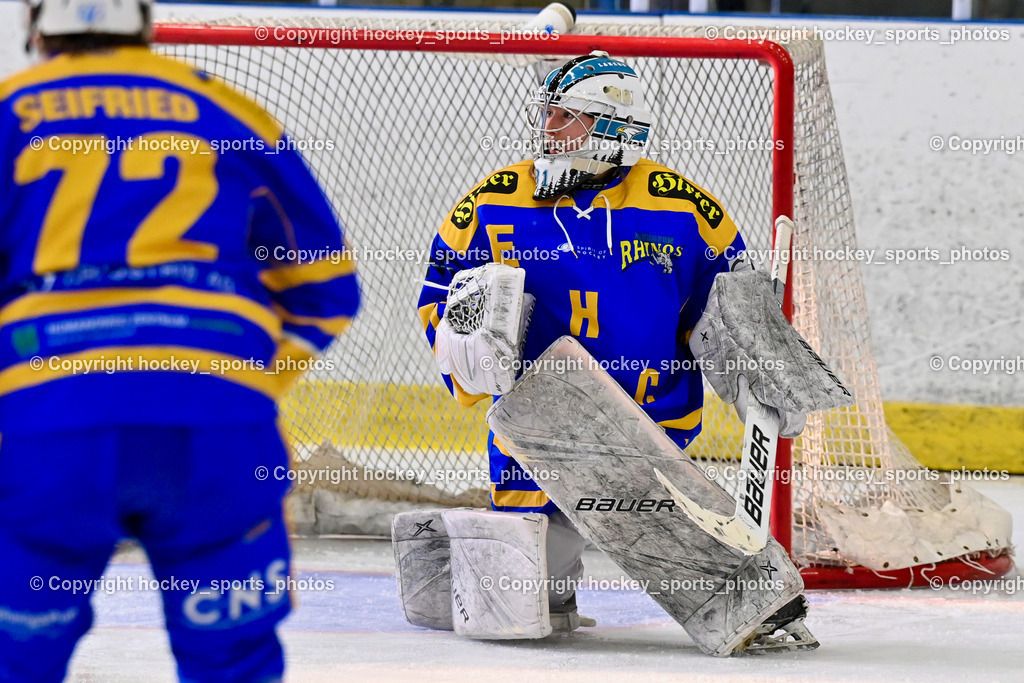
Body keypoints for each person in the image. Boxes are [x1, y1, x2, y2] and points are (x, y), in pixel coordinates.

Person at [0, 0, 359, 680]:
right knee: (234, 664)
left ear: (36, 26)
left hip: (50, 427)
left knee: (15, 659)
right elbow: (327, 287)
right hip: (216, 426)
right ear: (144, 22)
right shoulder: (227, 110)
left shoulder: (8, 109)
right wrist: (245, 387)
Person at [413, 52, 806, 631]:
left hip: (649, 421)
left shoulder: (683, 207)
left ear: (614, 125)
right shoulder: (496, 197)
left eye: (566, 116)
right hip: (539, 421)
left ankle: (748, 595)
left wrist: (762, 378)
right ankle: (495, 576)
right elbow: (438, 289)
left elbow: (726, 310)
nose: (549, 128)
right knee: (520, 607)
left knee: (697, 567)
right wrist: (460, 344)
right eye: (548, 114)